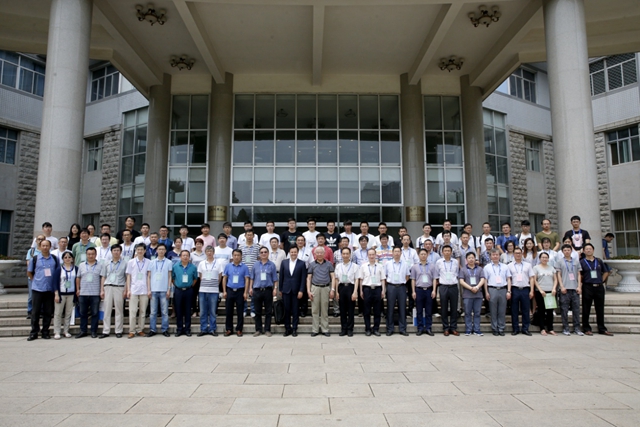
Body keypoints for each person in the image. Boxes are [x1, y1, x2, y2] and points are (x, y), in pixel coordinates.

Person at [26, 239, 57, 341]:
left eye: (47, 245)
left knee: (48, 312)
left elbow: (57, 272)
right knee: (35, 312)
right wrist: (35, 280)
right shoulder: (35, 259)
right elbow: (29, 272)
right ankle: (34, 332)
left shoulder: (54, 259)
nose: (45, 247)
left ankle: (45, 331)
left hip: (49, 289)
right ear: (39, 247)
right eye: (43, 246)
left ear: (50, 247)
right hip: (37, 288)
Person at [580, 243, 613, 336]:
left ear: (593, 250)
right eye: (586, 249)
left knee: (600, 308)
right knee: (586, 308)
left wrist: (601, 280)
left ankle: (602, 328)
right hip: (587, 287)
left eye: (590, 249)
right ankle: (586, 328)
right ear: (584, 251)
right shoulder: (582, 262)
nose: (588, 250)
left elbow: (606, 272)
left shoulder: (598, 261)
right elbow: (580, 274)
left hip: (599, 287)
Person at [98, 244, 127, 339]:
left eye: (118, 250)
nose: (116, 252)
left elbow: (127, 278)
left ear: (120, 252)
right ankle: (106, 331)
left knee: (119, 310)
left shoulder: (125, 263)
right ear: (111, 252)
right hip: (108, 287)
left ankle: (118, 330)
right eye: (114, 250)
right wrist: (102, 290)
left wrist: (125, 289)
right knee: (107, 310)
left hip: (119, 287)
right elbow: (103, 276)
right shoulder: (106, 263)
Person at [250, 247, 278, 337]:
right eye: (261, 252)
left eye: (265, 252)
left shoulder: (272, 265)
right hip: (257, 290)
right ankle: (258, 329)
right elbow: (252, 278)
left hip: (268, 290)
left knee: (268, 311)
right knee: (257, 311)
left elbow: (275, 279)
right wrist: (250, 288)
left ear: (268, 253)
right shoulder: (255, 265)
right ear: (259, 254)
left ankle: (267, 330)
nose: (263, 253)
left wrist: (275, 289)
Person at [307, 247, 335, 337]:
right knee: (315, 310)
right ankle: (315, 329)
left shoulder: (329, 264)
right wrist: (308, 291)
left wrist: (332, 289)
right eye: (317, 253)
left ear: (324, 254)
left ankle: (325, 329)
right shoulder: (312, 264)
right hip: (315, 287)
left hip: (325, 288)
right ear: (315, 254)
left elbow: (333, 277)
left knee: (324, 310)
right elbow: (309, 278)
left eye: (321, 253)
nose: (319, 254)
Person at [279, 246, 307, 337]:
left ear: (297, 253)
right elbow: (281, 277)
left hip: (296, 290)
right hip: (286, 290)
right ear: (289, 253)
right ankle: (287, 328)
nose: (293, 254)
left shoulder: (302, 263)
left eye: (295, 252)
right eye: (292, 252)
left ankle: (294, 328)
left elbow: (303, 278)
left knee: (295, 310)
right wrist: (280, 289)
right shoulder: (284, 262)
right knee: (286, 310)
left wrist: (301, 290)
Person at [556, 244, 583, 336]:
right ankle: (565, 328)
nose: (567, 252)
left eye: (568, 250)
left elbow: (579, 274)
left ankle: (577, 328)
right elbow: (558, 274)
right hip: (565, 289)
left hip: (575, 288)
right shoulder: (559, 261)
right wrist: (561, 286)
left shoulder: (576, 261)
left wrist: (579, 286)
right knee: (564, 310)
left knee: (576, 309)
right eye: (565, 250)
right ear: (562, 252)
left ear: (571, 251)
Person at [483, 249, 512, 336]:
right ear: (490, 256)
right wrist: (486, 292)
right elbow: (485, 280)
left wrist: (509, 291)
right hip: (492, 289)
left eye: (497, 255)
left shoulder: (505, 266)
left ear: (499, 256)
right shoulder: (487, 267)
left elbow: (508, 279)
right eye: (493, 255)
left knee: (502, 310)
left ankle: (501, 328)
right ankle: (494, 328)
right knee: (493, 311)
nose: (495, 256)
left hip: (503, 289)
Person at [222, 249, 250, 336]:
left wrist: (245, 292)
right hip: (230, 290)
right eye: (235, 255)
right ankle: (229, 329)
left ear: (241, 256)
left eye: (238, 255)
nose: (236, 257)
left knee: (240, 311)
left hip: (240, 291)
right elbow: (224, 278)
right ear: (232, 256)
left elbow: (247, 279)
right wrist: (224, 291)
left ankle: (239, 329)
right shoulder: (228, 266)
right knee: (228, 311)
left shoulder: (245, 267)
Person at [433, 245, 460, 336]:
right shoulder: (439, 262)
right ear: (442, 252)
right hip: (443, 286)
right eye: (445, 251)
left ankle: (453, 327)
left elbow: (457, 273)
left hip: (453, 286)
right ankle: (445, 328)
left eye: (449, 251)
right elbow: (437, 274)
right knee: (443, 308)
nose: (447, 252)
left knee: (454, 308)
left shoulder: (455, 262)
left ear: (451, 252)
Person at [359, 248, 386, 336]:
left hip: (377, 289)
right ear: (367, 256)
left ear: (375, 255)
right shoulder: (363, 266)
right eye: (370, 255)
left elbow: (383, 279)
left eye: (373, 254)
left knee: (377, 311)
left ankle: (376, 329)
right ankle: (367, 329)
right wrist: (361, 291)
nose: (371, 256)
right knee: (366, 311)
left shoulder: (380, 266)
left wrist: (383, 290)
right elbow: (361, 279)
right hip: (367, 289)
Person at [147, 243, 173, 337]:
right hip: (153, 290)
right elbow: (149, 276)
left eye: (163, 249)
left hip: (164, 290)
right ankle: (152, 329)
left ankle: (165, 329)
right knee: (153, 312)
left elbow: (169, 276)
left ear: (165, 251)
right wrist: (149, 289)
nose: (161, 251)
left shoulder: (169, 262)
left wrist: (169, 289)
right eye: (159, 249)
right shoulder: (151, 262)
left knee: (164, 312)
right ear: (157, 250)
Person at [197, 245, 223, 337]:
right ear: (205, 253)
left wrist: (214, 284)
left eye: (211, 251)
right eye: (207, 251)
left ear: (213, 253)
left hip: (214, 290)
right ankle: (203, 329)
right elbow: (200, 276)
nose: (209, 253)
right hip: (203, 290)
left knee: (212, 311)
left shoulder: (218, 263)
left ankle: (212, 329)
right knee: (203, 311)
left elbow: (220, 277)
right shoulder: (201, 263)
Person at [126, 243, 151, 338]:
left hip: (144, 289)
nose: (140, 251)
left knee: (143, 312)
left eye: (141, 249)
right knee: (132, 311)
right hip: (133, 289)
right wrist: (128, 290)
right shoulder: (131, 262)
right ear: (136, 250)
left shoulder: (148, 262)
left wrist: (149, 289)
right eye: (138, 249)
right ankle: (132, 331)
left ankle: (140, 329)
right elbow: (128, 276)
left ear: (145, 251)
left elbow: (149, 276)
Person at [75, 247, 101, 338]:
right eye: (89, 254)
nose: (90, 256)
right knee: (83, 313)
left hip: (95, 293)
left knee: (95, 313)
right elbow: (78, 277)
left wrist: (102, 290)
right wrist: (78, 289)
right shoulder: (81, 265)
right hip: (83, 293)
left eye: (92, 254)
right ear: (86, 255)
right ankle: (83, 331)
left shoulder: (100, 265)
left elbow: (102, 278)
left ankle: (93, 331)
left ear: (96, 254)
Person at [172, 250, 199, 336]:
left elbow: (195, 279)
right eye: (183, 255)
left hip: (189, 290)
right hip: (178, 290)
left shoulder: (193, 267)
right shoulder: (175, 266)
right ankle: (179, 329)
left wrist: (189, 285)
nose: (185, 257)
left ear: (189, 257)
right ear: (180, 257)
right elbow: (173, 278)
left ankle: (187, 329)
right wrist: (178, 285)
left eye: (187, 255)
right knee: (178, 310)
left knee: (188, 310)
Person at [385, 247, 411, 336]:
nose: (396, 253)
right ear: (392, 253)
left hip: (401, 287)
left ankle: (402, 328)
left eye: (398, 251)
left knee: (402, 308)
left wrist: (402, 282)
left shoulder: (405, 264)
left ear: (401, 253)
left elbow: (407, 276)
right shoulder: (388, 263)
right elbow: (385, 276)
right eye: (395, 251)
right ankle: (390, 329)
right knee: (390, 308)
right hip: (391, 287)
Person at [508, 248, 534, 336]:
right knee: (514, 310)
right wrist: (509, 291)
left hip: (525, 289)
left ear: (522, 254)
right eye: (516, 253)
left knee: (525, 310)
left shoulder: (528, 265)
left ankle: (525, 328)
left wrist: (532, 290)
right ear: (513, 254)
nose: (518, 255)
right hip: (514, 289)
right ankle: (515, 329)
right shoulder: (509, 265)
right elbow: (509, 279)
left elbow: (531, 278)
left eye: (519, 253)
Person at [458, 252, 485, 336]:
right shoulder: (463, 269)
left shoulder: (480, 269)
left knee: (477, 313)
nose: (471, 259)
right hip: (467, 294)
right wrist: (470, 288)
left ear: (475, 259)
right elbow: (461, 281)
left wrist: (477, 287)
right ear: (466, 259)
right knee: (467, 313)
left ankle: (477, 329)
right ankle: (468, 329)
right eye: (469, 258)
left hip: (478, 294)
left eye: (472, 258)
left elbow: (482, 279)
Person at [334, 247, 359, 337]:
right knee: (342, 310)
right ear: (341, 255)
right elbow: (336, 279)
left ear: (350, 255)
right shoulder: (338, 266)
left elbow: (356, 279)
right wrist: (337, 292)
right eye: (343, 254)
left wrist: (355, 292)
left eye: (347, 254)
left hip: (350, 287)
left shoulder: (355, 266)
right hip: (341, 287)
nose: (345, 255)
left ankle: (350, 329)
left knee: (351, 310)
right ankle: (343, 329)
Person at [411, 248, 435, 336]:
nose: (423, 256)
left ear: (427, 255)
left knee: (429, 311)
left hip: (429, 290)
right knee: (419, 310)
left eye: (425, 254)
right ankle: (420, 328)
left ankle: (428, 328)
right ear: (418, 255)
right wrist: (413, 291)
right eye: (421, 254)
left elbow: (434, 279)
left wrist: (434, 290)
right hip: (419, 290)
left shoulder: (432, 266)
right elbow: (413, 279)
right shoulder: (415, 267)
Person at [52, 251, 76, 339]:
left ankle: (66, 330)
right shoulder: (59, 269)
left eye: (69, 257)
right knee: (58, 313)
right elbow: (55, 282)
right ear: (62, 259)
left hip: (71, 294)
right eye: (65, 257)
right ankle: (57, 331)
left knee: (68, 313)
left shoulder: (75, 269)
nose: (67, 259)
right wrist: (56, 294)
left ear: (72, 259)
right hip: (61, 294)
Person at [533, 252, 558, 336]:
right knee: (541, 310)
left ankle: (550, 328)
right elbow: (535, 280)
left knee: (550, 311)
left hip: (551, 292)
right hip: (540, 292)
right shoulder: (536, 268)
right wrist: (540, 290)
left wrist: (554, 288)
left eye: (546, 257)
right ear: (540, 258)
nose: (544, 259)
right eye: (543, 257)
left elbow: (555, 279)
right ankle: (542, 328)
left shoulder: (551, 268)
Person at [400, 234, 419, 315]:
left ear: (410, 241)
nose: (406, 241)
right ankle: (403, 310)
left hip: (411, 273)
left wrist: (411, 267)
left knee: (411, 291)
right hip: (402, 274)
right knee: (402, 292)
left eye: (407, 240)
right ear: (402, 241)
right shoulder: (399, 250)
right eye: (404, 239)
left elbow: (417, 262)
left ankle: (410, 309)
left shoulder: (413, 251)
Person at [190, 238, 207, 316]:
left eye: (200, 244)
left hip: (202, 277)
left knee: (201, 295)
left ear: (202, 245)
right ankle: (194, 310)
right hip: (194, 277)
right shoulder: (191, 254)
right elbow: (189, 265)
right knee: (194, 294)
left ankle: (200, 310)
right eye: (197, 244)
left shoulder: (205, 255)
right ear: (195, 245)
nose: (199, 245)